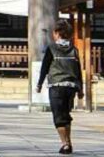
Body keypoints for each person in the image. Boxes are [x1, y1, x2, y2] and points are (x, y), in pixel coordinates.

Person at [36, 20, 84, 155]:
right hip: (71, 87)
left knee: (58, 116)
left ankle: (65, 144)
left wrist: (39, 84)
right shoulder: (74, 50)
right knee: (66, 114)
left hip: (56, 86)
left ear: (57, 33)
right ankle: (69, 142)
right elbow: (78, 70)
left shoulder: (51, 48)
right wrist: (80, 89)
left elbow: (44, 68)